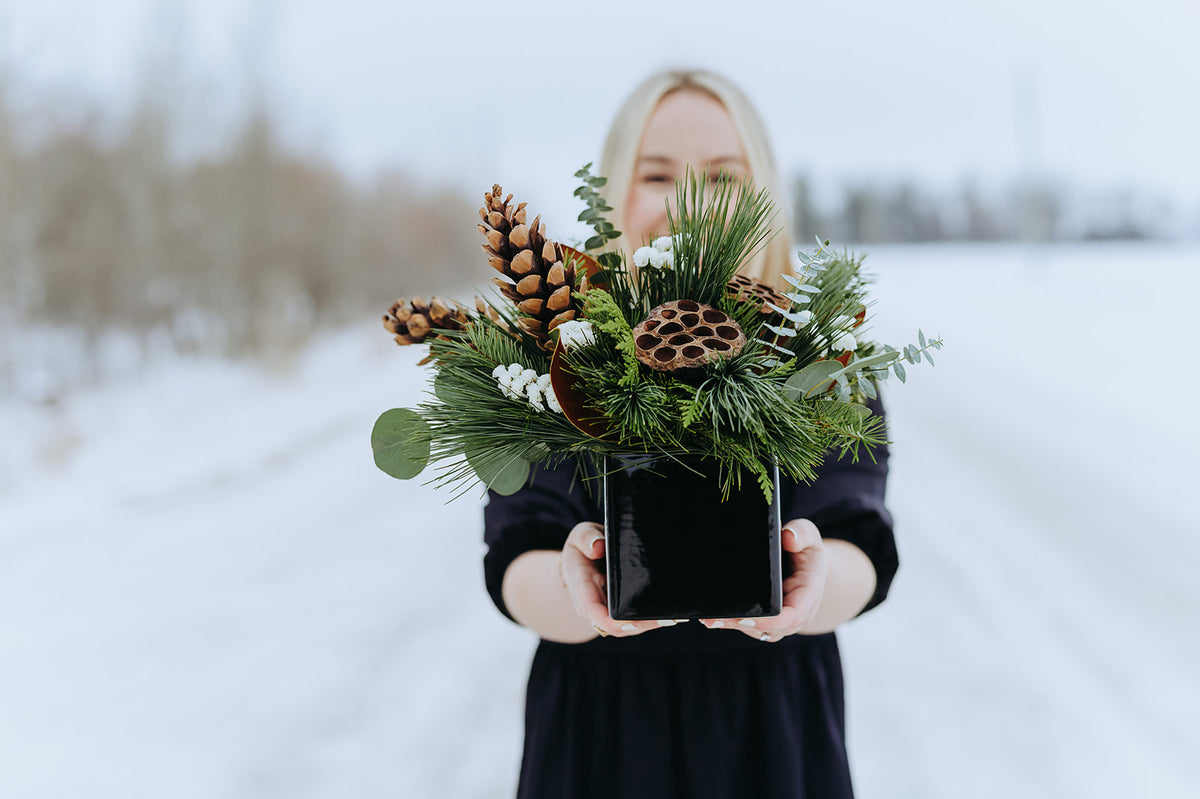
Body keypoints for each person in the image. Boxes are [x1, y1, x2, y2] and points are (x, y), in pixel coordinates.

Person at [483, 69, 898, 799]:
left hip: (771, 731)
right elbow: (516, 556)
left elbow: (859, 539)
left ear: (762, 194)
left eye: (723, 175)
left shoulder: (822, 358)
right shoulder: (555, 358)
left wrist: (815, 579)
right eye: (657, 174)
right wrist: (570, 587)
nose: (690, 200)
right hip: (598, 732)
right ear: (614, 193)